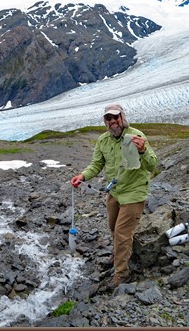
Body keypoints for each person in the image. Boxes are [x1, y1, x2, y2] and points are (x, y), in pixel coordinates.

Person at [70, 103, 157, 289]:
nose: (112, 121)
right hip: (115, 192)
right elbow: (96, 164)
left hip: (134, 192)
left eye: (115, 117)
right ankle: (119, 254)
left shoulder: (137, 136)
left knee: (122, 233)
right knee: (113, 227)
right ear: (105, 122)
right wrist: (82, 176)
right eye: (108, 118)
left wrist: (143, 151)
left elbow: (152, 165)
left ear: (122, 118)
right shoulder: (103, 141)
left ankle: (122, 274)